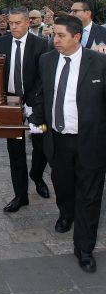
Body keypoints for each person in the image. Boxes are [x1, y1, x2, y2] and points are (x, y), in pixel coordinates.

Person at [30, 15, 106, 273]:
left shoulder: (98, 63)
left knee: (90, 195)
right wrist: (37, 119)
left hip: (90, 142)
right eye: (54, 35)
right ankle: (66, 213)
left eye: (61, 35)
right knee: (63, 186)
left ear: (77, 37)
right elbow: (42, 94)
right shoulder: (46, 60)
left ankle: (84, 248)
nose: (55, 40)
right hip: (58, 140)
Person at [0, 7, 49, 213]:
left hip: (34, 102)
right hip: (10, 103)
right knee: (15, 152)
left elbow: (44, 77)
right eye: (11, 23)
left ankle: (36, 175)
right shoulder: (1, 43)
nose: (13, 27)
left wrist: (32, 102)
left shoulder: (41, 45)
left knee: (41, 147)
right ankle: (21, 195)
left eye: (17, 23)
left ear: (27, 23)